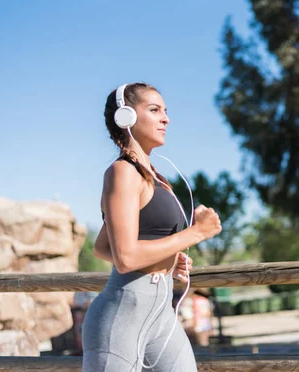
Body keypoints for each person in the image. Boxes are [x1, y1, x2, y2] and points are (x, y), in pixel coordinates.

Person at [82, 82, 222, 372]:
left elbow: (103, 247)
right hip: (122, 316)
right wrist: (195, 233)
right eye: (155, 110)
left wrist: (167, 259)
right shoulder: (122, 173)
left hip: (161, 314)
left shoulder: (156, 178)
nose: (165, 118)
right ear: (127, 118)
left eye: (166, 111)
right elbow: (125, 258)